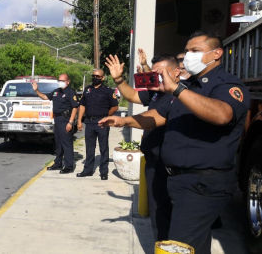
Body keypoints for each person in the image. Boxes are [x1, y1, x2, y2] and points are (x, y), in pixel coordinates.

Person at [98, 30, 249, 254]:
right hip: (178, 180)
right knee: (189, 243)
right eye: (187, 51)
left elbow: (222, 114)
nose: (188, 56)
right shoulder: (190, 87)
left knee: (179, 244)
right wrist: (124, 121)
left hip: (202, 184)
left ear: (216, 54)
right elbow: (158, 117)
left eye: (195, 51)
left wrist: (176, 89)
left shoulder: (225, 85)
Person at [105, 53, 180, 242]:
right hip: (153, 162)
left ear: (176, 73)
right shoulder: (156, 92)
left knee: (172, 216)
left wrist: (123, 121)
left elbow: (152, 119)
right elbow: (131, 95)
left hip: (171, 165)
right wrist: (118, 79)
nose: (155, 77)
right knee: (158, 213)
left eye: (160, 72)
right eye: (154, 73)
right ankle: (160, 246)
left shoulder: (182, 95)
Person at [76, 69, 119, 180]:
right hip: (89, 122)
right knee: (89, 147)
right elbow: (82, 105)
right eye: (94, 76)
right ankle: (88, 170)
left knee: (103, 147)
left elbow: (115, 106)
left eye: (98, 76)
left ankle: (103, 172)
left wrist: (106, 117)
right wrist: (79, 120)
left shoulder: (108, 91)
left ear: (103, 78)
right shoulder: (87, 89)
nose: (95, 78)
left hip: (102, 123)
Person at [32, 74, 79, 174]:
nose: (60, 82)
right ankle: (58, 163)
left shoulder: (70, 92)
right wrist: (36, 90)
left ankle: (69, 166)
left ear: (68, 82)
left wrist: (70, 122)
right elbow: (45, 97)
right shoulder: (56, 91)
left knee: (67, 143)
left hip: (65, 119)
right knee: (58, 143)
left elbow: (75, 107)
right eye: (59, 80)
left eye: (62, 80)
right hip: (57, 119)